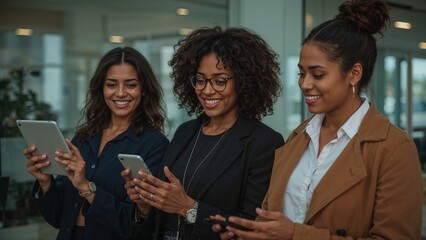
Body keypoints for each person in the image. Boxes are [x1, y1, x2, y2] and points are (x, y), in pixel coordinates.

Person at [212, 0, 423, 239]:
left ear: (354, 74)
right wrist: (251, 231)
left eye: (318, 74)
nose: (304, 84)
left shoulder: (394, 148)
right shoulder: (299, 136)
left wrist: (295, 234)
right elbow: (273, 215)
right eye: (301, 73)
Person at [122, 26, 285, 239]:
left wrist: (189, 208)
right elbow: (161, 221)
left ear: (244, 82)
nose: (207, 90)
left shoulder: (264, 142)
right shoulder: (185, 132)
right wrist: (145, 205)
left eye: (220, 81)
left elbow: (253, 228)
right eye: (200, 80)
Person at [23, 47, 170, 240]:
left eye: (130, 85)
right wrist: (45, 183)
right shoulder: (84, 138)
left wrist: (87, 187)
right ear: (101, 88)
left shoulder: (155, 144)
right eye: (111, 84)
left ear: (143, 89)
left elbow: (138, 227)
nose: (120, 93)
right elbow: (57, 218)